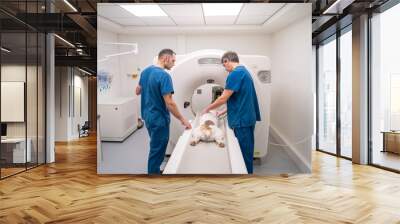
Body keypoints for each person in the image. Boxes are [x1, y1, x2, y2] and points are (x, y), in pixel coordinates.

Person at [202, 51, 261, 174]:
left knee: (244, 153)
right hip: (247, 117)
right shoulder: (244, 72)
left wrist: (207, 109)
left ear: (226, 61)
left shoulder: (235, 74)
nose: (225, 69)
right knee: (247, 150)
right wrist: (223, 110)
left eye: (224, 65)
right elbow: (239, 98)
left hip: (242, 120)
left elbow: (224, 98)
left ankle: (245, 179)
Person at [136, 49, 192, 174]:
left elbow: (137, 91)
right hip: (158, 118)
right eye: (173, 60)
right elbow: (170, 103)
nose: (174, 63)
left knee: (155, 144)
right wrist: (183, 120)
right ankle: (153, 174)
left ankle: (155, 170)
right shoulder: (164, 76)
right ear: (165, 58)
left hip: (147, 116)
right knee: (157, 149)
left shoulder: (145, 71)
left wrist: (149, 89)